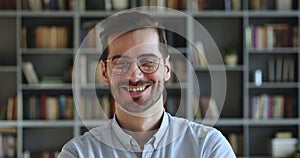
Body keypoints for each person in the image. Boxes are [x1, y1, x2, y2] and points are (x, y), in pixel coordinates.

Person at [59, 11, 236, 158]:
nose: (135, 76)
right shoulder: (78, 153)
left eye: (148, 62)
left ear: (167, 69)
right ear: (105, 73)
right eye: (121, 63)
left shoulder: (209, 148)